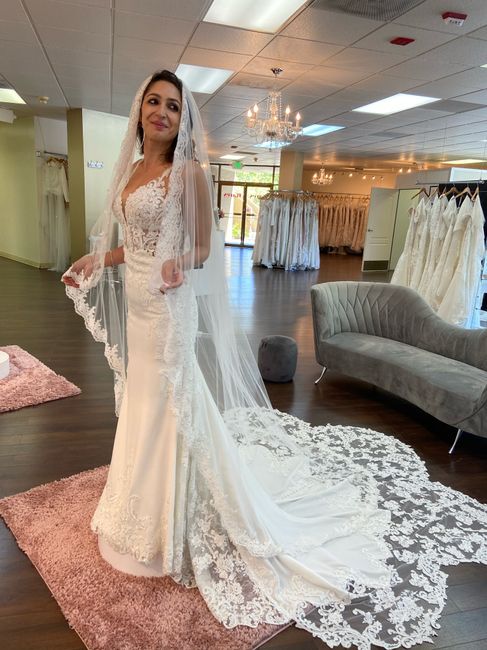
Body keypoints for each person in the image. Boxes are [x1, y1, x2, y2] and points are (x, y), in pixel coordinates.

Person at [62, 70, 487, 649]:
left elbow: (203, 247)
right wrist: (98, 261)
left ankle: (168, 518)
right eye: (153, 102)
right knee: (144, 399)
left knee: (169, 401)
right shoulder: (134, 169)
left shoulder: (188, 173)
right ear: (140, 111)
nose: (162, 111)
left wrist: (180, 263)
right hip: (138, 303)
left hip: (167, 305)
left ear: (183, 118)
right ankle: (139, 499)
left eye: (173, 105)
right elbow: (132, 244)